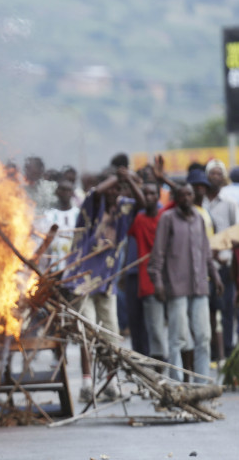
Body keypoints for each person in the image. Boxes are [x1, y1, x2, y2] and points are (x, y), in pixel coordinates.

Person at [68, 155, 146, 402]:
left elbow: (141, 201)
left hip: (107, 281)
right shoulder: (93, 202)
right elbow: (98, 190)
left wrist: (127, 180)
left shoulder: (123, 206)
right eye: (112, 187)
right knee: (88, 332)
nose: (115, 192)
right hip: (82, 279)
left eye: (118, 189)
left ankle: (111, 383)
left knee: (111, 335)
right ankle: (87, 384)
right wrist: (116, 178)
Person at [148, 184, 223, 382]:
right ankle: (177, 384)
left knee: (204, 337)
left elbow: (206, 253)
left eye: (189, 194)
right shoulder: (167, 219)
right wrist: (158, 282)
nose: (187, 198)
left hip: (199, 286)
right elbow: (158, 255)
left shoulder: (199, 218)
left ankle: (201, 385)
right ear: (176, 198)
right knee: (178, 338)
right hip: (176, 287)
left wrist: (215, 276)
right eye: (182, 195)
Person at [202, 159, 239, 363]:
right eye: (212, 173)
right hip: (204, 266)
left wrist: (220, 249)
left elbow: (236, 233)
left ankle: (226, 350)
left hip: (224, 264)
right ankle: (212, 353)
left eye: (219, 173)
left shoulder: (230, 204)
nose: (215, 177)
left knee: (226, 309)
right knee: (207, 310)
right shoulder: (200, 202)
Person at [128, 183, 166, 365]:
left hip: (168, 281)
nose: (148, 197)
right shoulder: (139, 220)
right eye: (146, 193)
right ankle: (156, 365)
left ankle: (169, 366)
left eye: (153, 193)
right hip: (147, 282)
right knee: (153, 328)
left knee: (169, 330)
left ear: (158, 197)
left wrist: (163, 178)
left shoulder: (165, 217)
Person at [34, 180, 80, 273]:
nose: (65, 193)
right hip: (54, 267)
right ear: (57, 192)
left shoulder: (78, 214)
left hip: (74, 267)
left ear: (72, 193)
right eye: (63, 190)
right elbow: (44, 241)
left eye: (68, 190)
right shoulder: (49, 215)